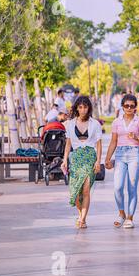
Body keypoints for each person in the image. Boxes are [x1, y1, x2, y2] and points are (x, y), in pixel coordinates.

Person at [105, 94, 139, 229]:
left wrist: (136, 137)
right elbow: (113, 141)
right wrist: (107, 158)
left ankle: (130, 217)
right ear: (122, 107)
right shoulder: (116, 122)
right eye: (126, 106)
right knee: (117, 187)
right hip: (120, 154)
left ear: (135, 107)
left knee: (131, 188)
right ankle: (121, 213)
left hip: (134, 154)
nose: (129, 108)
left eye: (132, 106)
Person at [61, 96, 102, 229]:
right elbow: (68, 144)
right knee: (76, 190)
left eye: (85, 107)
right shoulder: (70, 124)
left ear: (89, 108)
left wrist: (98, 162)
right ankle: (80, 215)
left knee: (85, 190)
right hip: (76, 157)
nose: (83, 110)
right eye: (80, 107)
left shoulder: (95, 124)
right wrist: (65, 159)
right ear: (77, 108)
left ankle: (83, 219)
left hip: (90, 156)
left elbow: (99, 144)